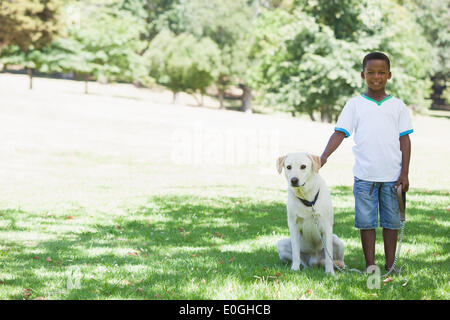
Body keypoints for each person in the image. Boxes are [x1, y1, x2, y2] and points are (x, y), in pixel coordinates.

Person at [320, 52, 413, 273]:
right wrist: (323, 157)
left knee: (391, 224)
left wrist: (405, 174)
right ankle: (371, 265)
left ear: (389, 75)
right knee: (367, 223)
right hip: (364, 178)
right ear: (363, 74)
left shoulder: (398, 106)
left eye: (381, 72)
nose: (376, 76)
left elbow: (405, 142)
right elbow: (339, 133)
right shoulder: (355, 105)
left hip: (392, 177)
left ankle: (391, 265)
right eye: (371, 72)